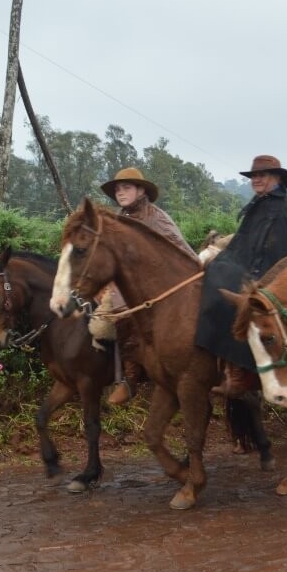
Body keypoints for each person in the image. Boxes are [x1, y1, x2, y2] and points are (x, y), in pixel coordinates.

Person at [197, 155, 287, 398]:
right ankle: (214, 360)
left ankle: (241, 373)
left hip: (273, 276)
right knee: (214, 276)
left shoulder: (285, 209)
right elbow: (244, 243)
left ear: (277, 178)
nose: (256, 180)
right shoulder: (259, 204)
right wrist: (220, 257)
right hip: (250, 268)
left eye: (262, 175)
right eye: (254, 176)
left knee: (239, 301)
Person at [91, 167, 197, 405]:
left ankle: (130, 379)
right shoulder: (120, 218)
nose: (120, 193)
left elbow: (181, 251)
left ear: (141, 191)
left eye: (126, 188)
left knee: (118, 312)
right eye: (118, 189)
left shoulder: (156, 218)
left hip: (156, 287)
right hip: (126, 283)